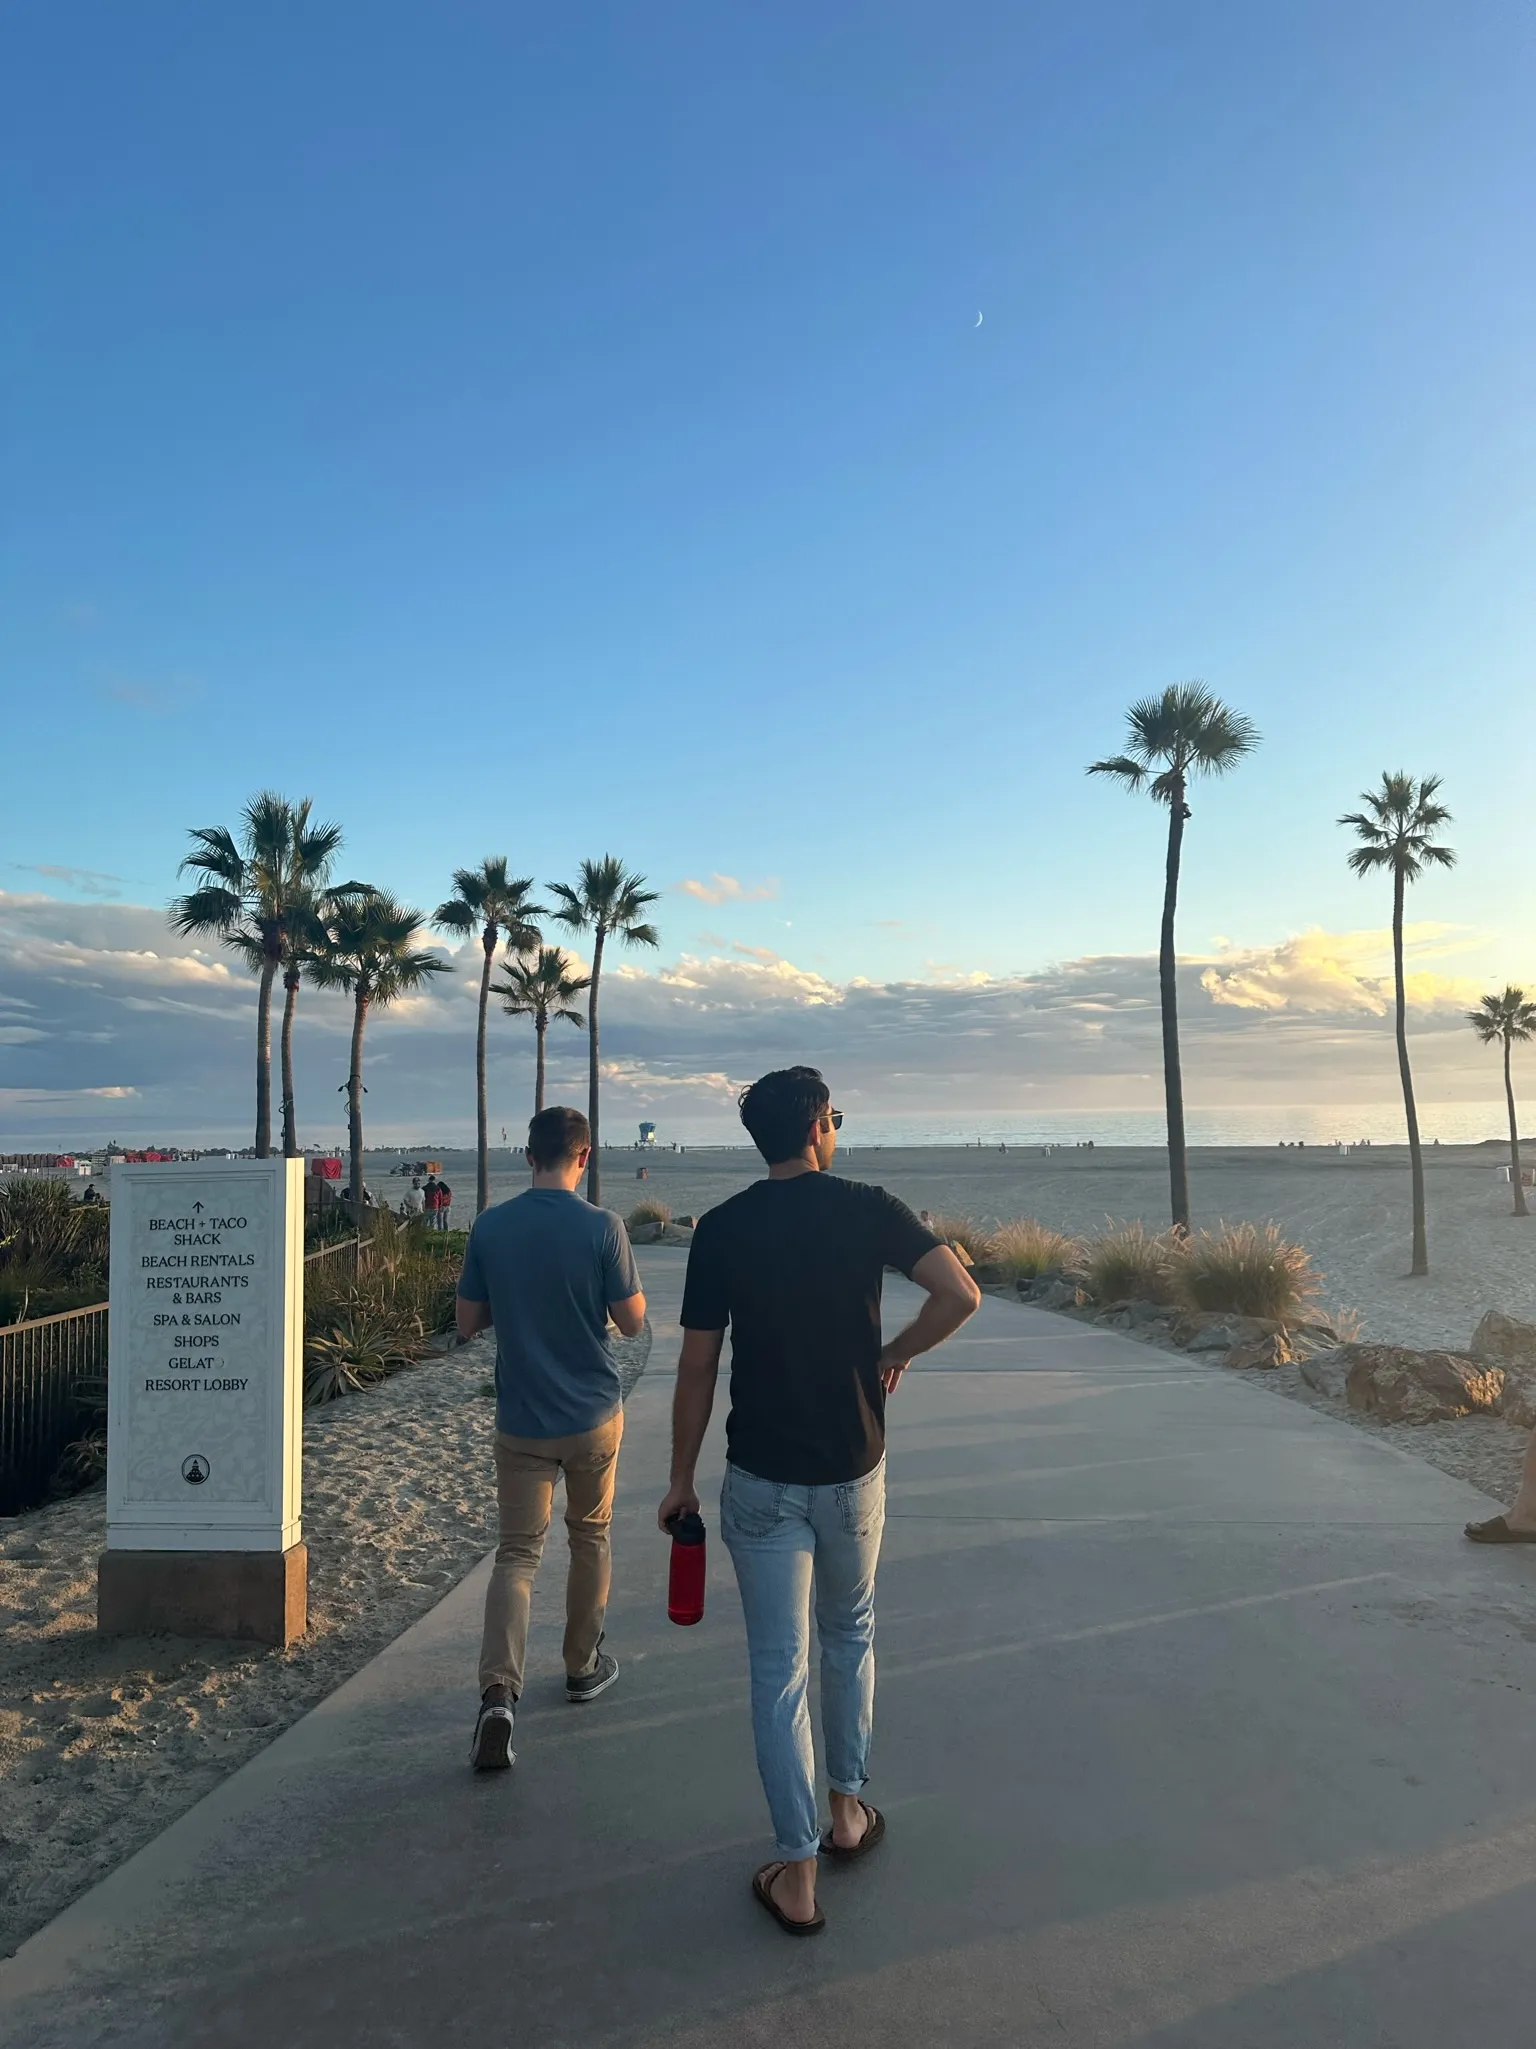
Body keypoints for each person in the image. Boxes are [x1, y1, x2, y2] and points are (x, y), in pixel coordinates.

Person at [658, 1066, 979, 1936]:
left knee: (778, 1669)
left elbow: (696, 1367)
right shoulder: (869, 1204)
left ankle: (796, 1874)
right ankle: (846, 1813)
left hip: (760, 1475)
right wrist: (891, 1353)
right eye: (834, 1116)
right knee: (851, 1633)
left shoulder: (721, 1228)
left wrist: (681, 1476)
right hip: (851, 1470)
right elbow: (961, 1295)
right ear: (818, 1129)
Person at [458, 1105, 647, 1771]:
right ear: (584, 1156)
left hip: (522, 1419)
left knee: (516, 1555)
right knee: (589, 1535)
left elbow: (467, 1321)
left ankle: (499, 1692)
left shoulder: (491, 1226)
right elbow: (630, 1323)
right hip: (593, 1414)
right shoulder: (604, 1227)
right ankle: (581, 1666)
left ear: (528, 1156)